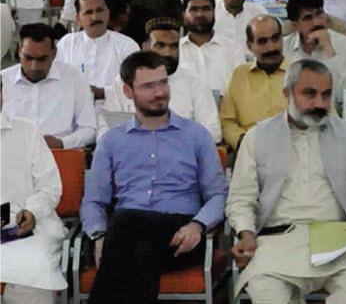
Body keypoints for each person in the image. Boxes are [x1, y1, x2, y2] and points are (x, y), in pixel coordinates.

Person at [225, 59, 346, 303]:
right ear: (286, 93)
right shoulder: (257, 137)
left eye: (326, 95)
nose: (319, 104)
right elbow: (241, 198)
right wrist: (246, 232)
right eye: (309, 94)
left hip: (340, 239)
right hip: (277, 242)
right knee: (266, 291)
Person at [80, 51, 228, 303]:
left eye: (163, 82)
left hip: (182, 235)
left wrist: (198, 225)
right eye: (148, 86)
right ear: (128, 92)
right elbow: (94, 200)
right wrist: (99, 236)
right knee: (140, 252)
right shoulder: (112, 141)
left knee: (124, 221)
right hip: (127, 239)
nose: (160, 92)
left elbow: (218, 195)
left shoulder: (196, 135)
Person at [0, 84, 68, 303]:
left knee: (33, 268)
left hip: (25, 228)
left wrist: (32, 212)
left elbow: (49, 187)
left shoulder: (26, 131)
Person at [3, 23, 98, 149]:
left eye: (42, 59)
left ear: (54, 53)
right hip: (12, 153)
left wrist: (62, 143)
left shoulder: (74, 78)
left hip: (60, 153)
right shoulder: (3, 80)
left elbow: (89, 129)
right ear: (19, 50)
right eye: (28, 58)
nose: (34, 66)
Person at [131, 17, 222, 142]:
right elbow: (107, 129)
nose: (167, 53)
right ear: (145, 47)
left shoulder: (195, 81)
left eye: (173, 46)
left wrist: (173, 141)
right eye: (160, 45)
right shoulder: (126, 80)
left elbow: (213, 132)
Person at [57, 0, 142, 101]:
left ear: (108, 13)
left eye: (99, 10)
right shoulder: (66, 44)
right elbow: (55, 80)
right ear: (78, 18)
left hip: (116, 109)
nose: (95, 17)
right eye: (88, 12)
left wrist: (102, 93)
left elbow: (138, 84)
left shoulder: (126, 45)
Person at [221, 16, 291, 151]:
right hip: (250, 150)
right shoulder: (238, 76)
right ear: (249, 46)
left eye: (275, 39)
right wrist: (245, 143)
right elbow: (227, 121)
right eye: (262, 42)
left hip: (294, 148)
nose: (271, 47)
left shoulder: (300, 73)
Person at [282, 0, 346, 91]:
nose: (317, 22)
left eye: (319, 14)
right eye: (308, 18)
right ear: (295, 25)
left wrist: (328, 49)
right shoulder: (283, 48)